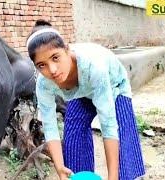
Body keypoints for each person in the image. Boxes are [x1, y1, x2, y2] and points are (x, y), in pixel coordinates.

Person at [26, 20, 145, 180]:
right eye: (42, 65)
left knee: (122, 138)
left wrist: (113, 177)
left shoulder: (93, 67)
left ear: (67, 50)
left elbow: (108, 125)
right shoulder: (44, 83)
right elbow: (50, 127)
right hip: (81, 92)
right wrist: (60, 168)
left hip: (113, 87)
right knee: (73, 136)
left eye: (55, 57)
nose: (52, 70)